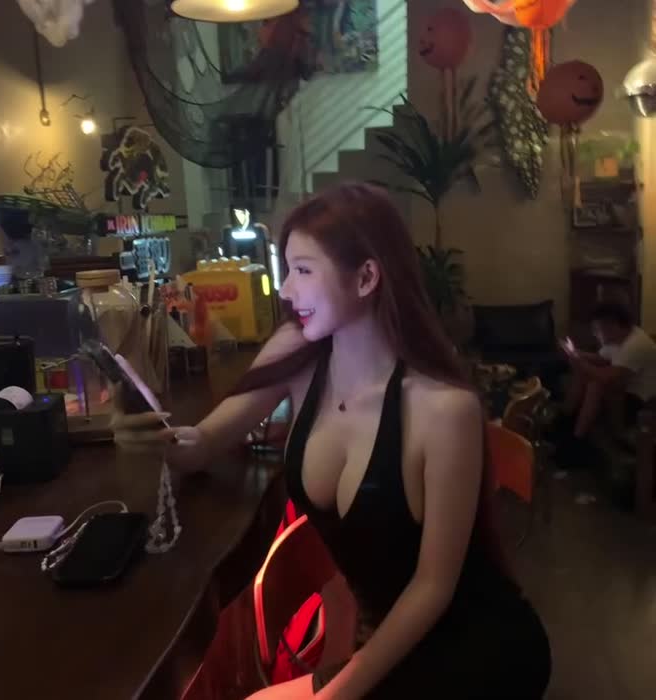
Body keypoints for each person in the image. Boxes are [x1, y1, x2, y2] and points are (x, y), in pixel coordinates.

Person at [113, 183, 551, 699]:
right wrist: (155, 435)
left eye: (302, 271)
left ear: (366, 277)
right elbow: (204, 443)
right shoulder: (298, 352)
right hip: (386, 646)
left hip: (471, 649)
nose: (285, 291)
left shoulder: (443, 410)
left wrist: (339, 691)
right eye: (287, 270)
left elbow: (433, 589)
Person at [558, 300, 656, 443]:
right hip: (624, 386)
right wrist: (576, 353)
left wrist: (579, 362)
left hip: (639, 399)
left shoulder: (636, 345)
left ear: (613, 326)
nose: (595, 334)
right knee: (583, 374)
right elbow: (602, 358)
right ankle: (564, 419)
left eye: (597, 330)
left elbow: (606, 377)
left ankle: (577, 438)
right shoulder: (619, 336)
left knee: (595, 385)